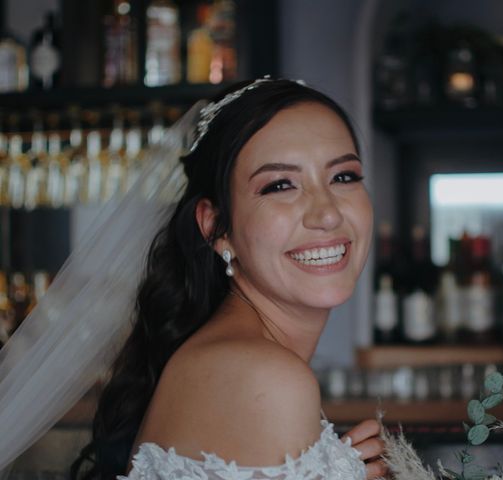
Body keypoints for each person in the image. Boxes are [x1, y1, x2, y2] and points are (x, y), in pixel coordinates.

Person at [60, 78, 386, 480]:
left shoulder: (229, 358)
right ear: (216, 228)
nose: (328, 214)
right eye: (280, 185)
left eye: (343, 177)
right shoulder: (264, 377)